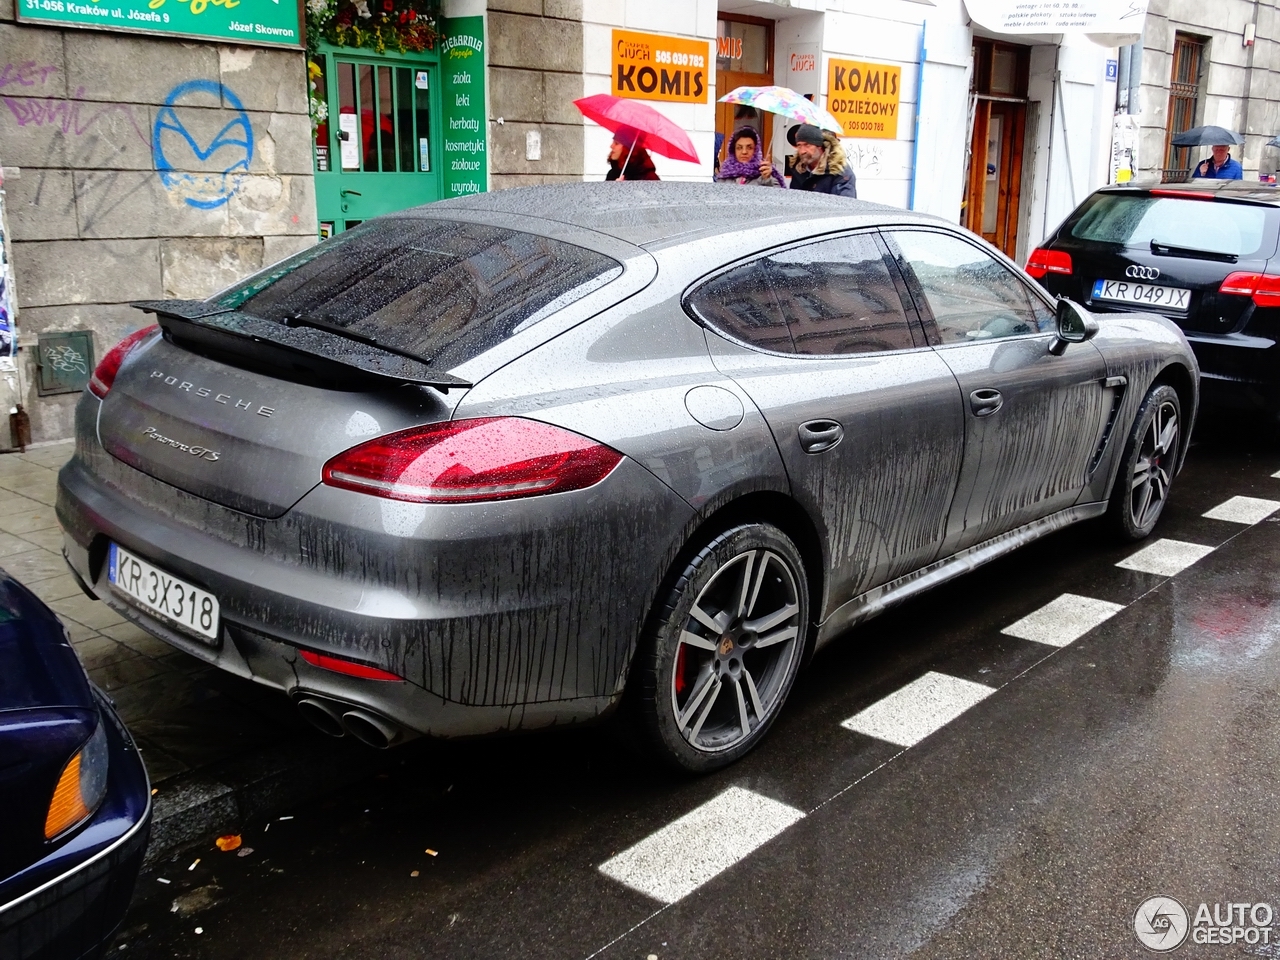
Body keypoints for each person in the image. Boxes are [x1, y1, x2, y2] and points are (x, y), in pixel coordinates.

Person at [787, 124, 857, 197]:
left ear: (819, 146)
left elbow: (844, 206)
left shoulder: (840, 172)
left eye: (807, 145)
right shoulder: (798, 169)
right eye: (799, 145)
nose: (802, 151)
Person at [716, 126, 785, 188]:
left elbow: (779, 197)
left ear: (756, 150)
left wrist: (767, 180)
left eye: (749, 148)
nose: (744, 152)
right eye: (739, 148)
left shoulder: (765, 171)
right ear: (733, 151)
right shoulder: (725, 176)